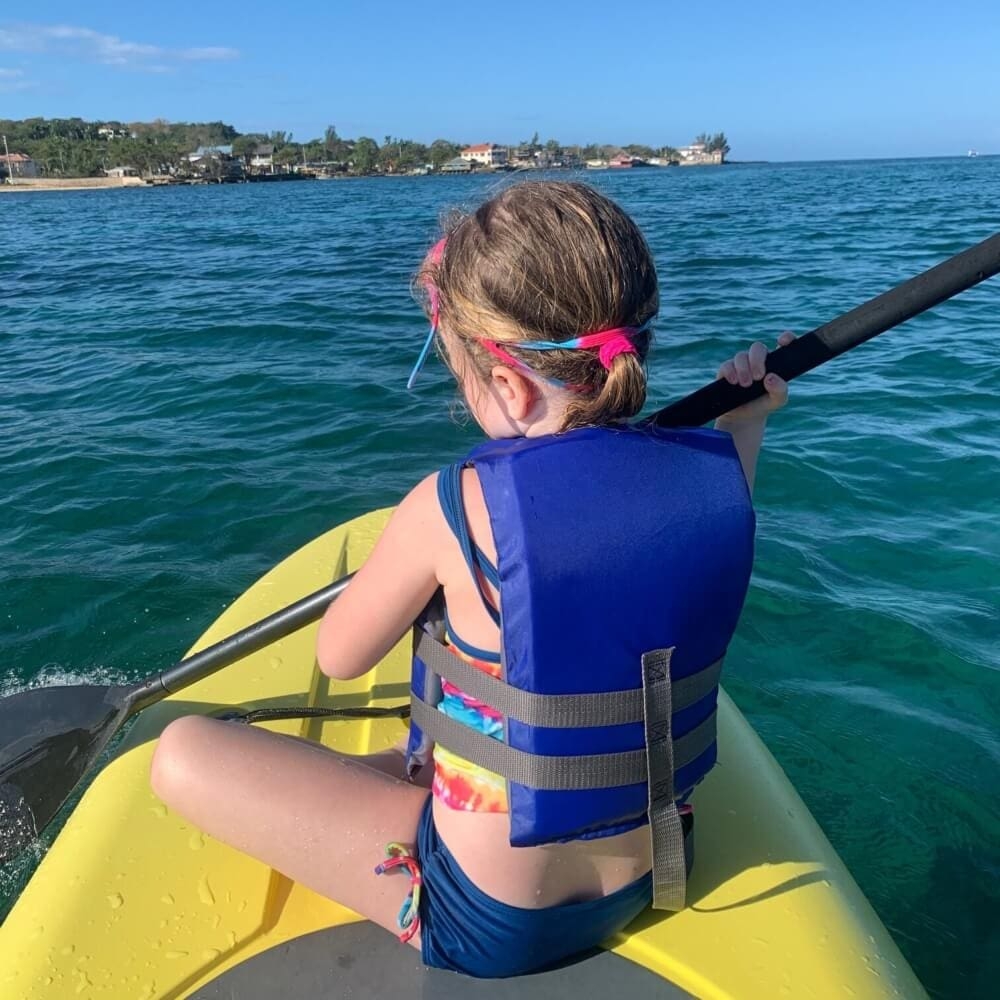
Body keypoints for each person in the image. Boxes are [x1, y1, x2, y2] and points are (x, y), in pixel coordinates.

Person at [150, 181, 792, 978]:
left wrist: (427, 564)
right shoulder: (715, 478)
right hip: (660, 866)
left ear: (510, 386)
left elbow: (340, 656)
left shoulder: (452, 502)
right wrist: (747, 420)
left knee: (181, 753)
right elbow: (725, 481)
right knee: (435, 747)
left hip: (489, 921)